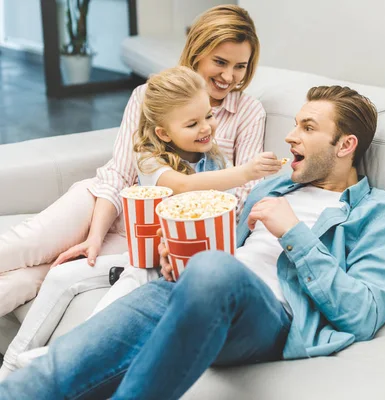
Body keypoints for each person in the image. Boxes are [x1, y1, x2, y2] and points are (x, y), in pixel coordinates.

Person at [0, 85, 385, 400]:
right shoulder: (274, 185)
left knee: (214, 269)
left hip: (270, 317)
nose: (290, 137)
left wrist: (294, 235)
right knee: (52, 371)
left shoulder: (381, 213)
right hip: (195, 289)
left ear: (346, 145)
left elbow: (363, 314)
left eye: (307, 128)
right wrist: (177, 255)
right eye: (295, 124)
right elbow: (224, 247)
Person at [0, 66, 281, 379]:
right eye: (192, 123)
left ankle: (49, 360)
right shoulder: (149, 157)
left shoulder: (214, 157)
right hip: (139, 256)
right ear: (163, 132)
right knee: (55, 276)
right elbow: (185, 186)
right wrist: (247, 172)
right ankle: (13, 365)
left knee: (75, 282)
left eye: (209, 116)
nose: (206, 128)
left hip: (156, 263)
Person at [0, 5, 265, 318]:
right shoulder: (146, 95)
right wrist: (93, 237)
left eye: (240, 67)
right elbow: (119, 174)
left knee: (29, 280)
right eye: (220, 62)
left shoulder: (249, 113)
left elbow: (242, 197)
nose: (229, 76)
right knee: (19, 247)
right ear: (197, 51)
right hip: (100, 204)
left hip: (145, 235)